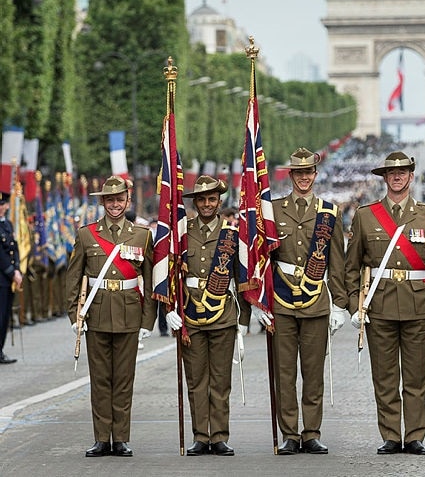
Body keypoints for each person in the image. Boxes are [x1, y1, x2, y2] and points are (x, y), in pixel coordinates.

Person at [344, 151, 425, 456]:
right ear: (385, 178)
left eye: (402, 172)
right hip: (380, 307)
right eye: (392, 173)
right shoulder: (366, 216)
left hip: (419, 307)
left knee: (416, 377)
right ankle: (391, 434)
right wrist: (354, 306)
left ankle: (415, 435)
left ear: (411, 176)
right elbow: (351, 267)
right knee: (385, 376)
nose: (397, 177)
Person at [65, 175, 156, 457]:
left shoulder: (142, 235)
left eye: (119, 199)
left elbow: (151, 281)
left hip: (129, 313)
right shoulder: (86, 234)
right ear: (102, 202)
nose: (115, 205)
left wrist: (147, 321)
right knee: (101, 380)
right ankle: (102, 438)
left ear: (128, 201)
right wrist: (74, 316)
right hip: (97, 313)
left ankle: (122, 439)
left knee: (124, 380)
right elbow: (73, 277)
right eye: (109, 200)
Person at [266, 148, 348, 455]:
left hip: (315, 302)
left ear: (315, 174)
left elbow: (336, 262)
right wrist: (261, 303)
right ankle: (289, 433)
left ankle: (311, 431)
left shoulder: (329, 211)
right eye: (298, 173)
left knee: (313, 372)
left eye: (309, 172)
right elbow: (264, 260)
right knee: (285, 373)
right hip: (282, 301)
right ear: (291, 176)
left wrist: (339, 303)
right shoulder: (272, 210)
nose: (304, 178)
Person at [164, 175, 250, 456]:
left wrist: (244, 322)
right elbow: (170, 275)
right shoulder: (182, 234)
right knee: (196, 380)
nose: (207, 204)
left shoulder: (232, 235)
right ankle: (201, 436)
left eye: (212, 199)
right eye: (201, 199)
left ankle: (220, 436)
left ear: (219, 201)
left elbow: (243, 280)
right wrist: (168, 311)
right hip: (191, 315)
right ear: (194, 202)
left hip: (223, 315)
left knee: (220, 380)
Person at [0, 191, 23, 364]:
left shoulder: (7, 224)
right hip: (2, 277)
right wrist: (11, 271)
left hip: (9, 279)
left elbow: (14, 249)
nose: (2, 207)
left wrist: (17, 270)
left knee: (6, 316)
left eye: (3, 204)